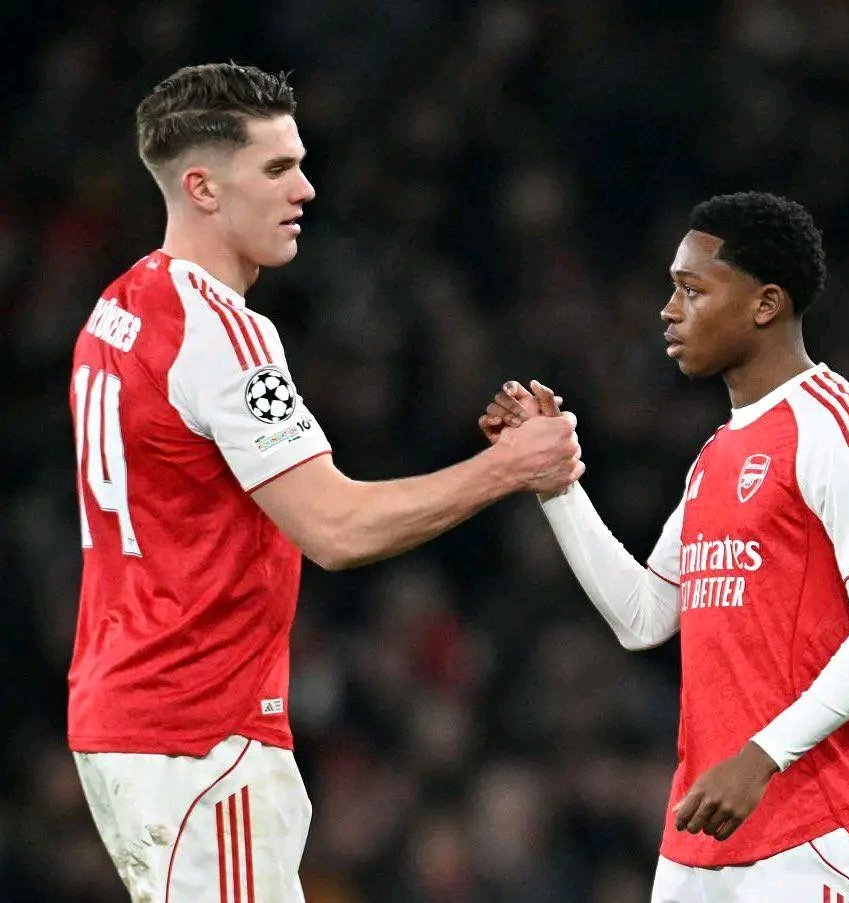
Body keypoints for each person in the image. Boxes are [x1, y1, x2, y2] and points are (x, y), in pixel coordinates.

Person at [67, 62, 584, 902]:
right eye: (276, 168)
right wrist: (509, 466)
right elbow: (335, 528)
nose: (305, 189)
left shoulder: (116, 309)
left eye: (300, 164)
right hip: (201, 731)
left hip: (128, 716)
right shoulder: (222, 334)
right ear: (201, 187)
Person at [479, 192, 849, 901]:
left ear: (765, 304)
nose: (668, 310)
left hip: (815, 834)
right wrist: (555, 485)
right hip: (699, 838)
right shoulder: (716, 454)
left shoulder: (841, 430)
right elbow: (643, 616)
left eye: (692, 290)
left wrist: (761, 756)